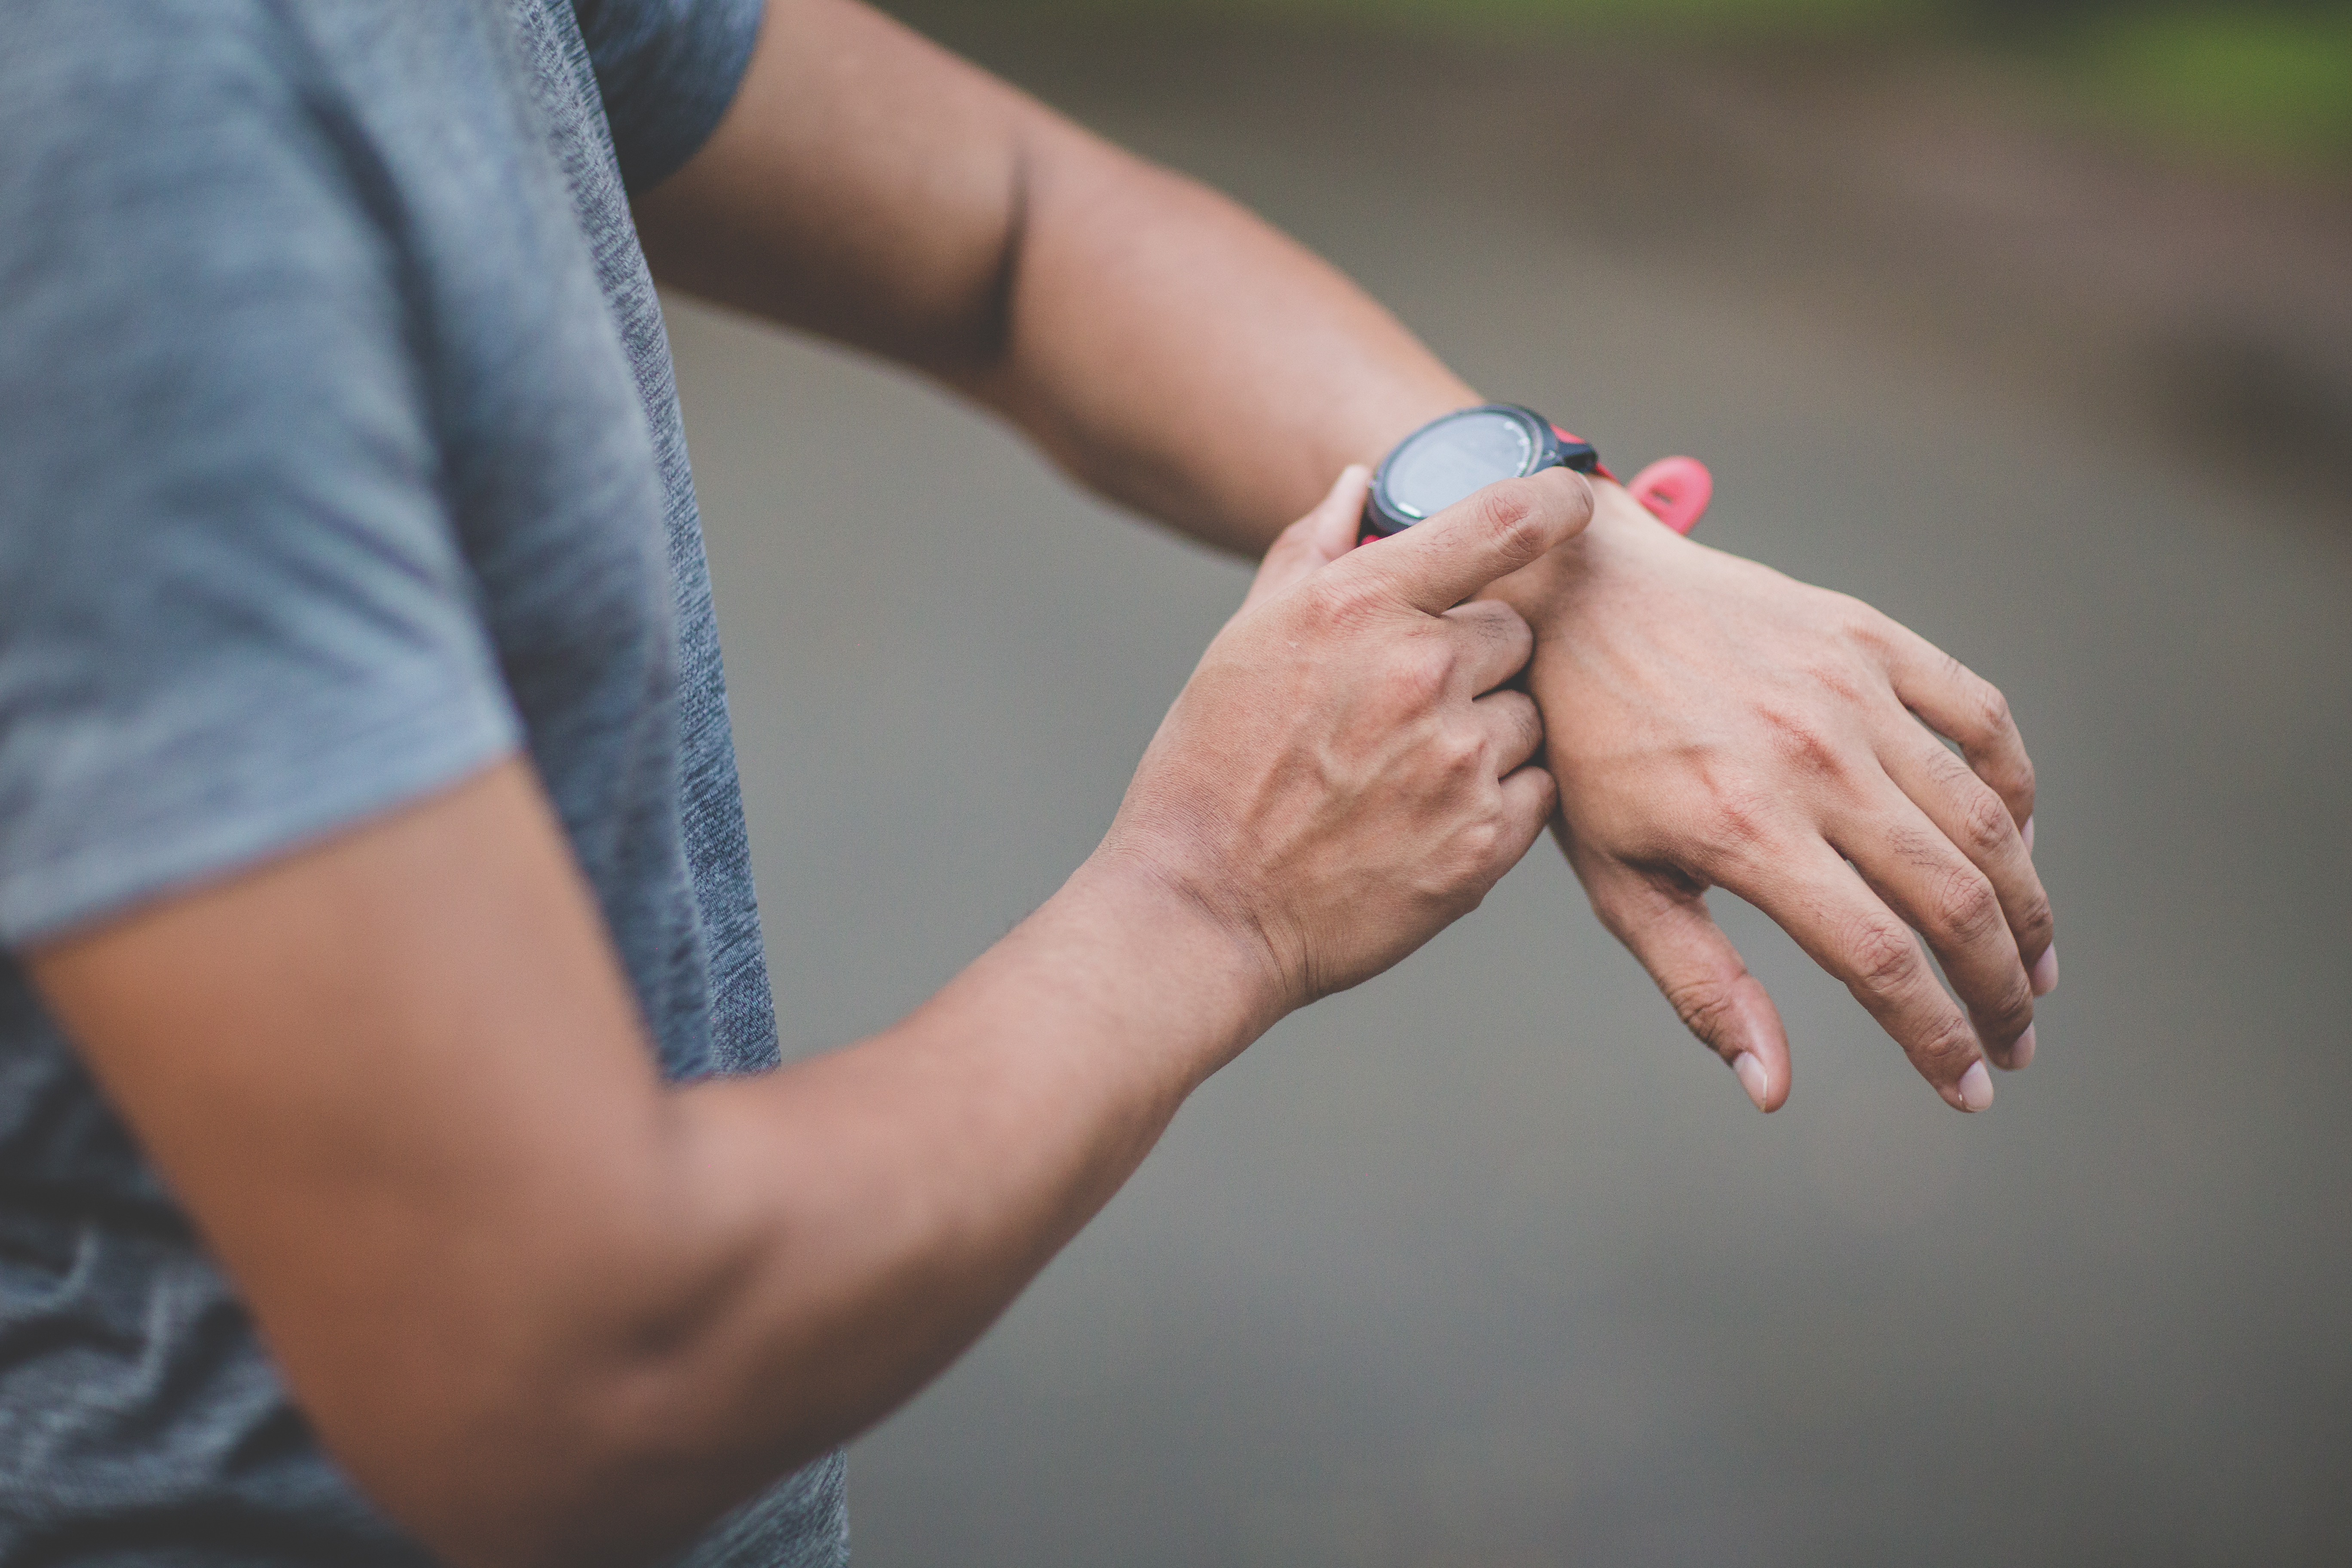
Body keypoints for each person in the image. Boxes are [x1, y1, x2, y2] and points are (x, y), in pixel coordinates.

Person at [0, 0, 2057, 1562]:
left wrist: (1563, 551)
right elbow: (560, 1360)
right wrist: (1208, 899)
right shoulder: (126, 119)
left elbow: (1013, 231)